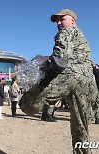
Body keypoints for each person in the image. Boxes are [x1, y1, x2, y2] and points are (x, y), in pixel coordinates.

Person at [19, 9, 98, 154]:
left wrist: (44, 71)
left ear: (73, 20)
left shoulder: (66, 32)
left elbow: (60, 58)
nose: (59, 23)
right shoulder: (82, 36)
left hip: (69, 78)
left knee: (26, 104)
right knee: (80, 128)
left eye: (62, 19)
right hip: (87, 83)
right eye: (57, 21)